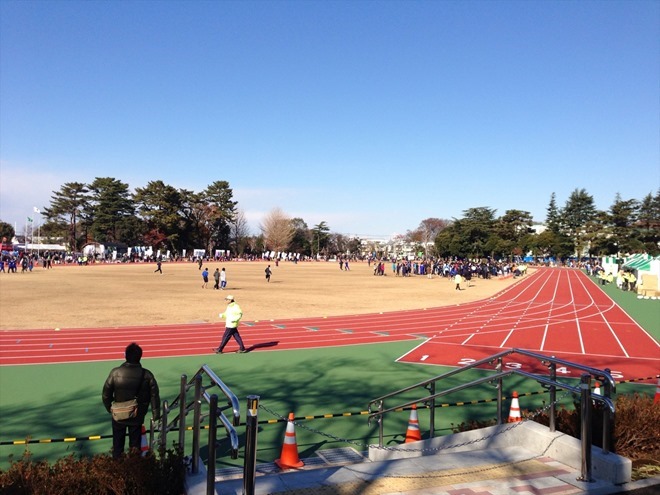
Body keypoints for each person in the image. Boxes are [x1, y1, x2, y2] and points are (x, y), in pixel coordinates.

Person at [102, 343, 160, 458]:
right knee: (135, 447)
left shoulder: (115, 373)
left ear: (126, 356)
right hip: (137, 415)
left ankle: (117, 469)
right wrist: (156, 414)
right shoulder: (147, 375)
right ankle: (134, 469)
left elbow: (106, 394)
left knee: (117, 447)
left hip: (119, 414)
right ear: (140, 356)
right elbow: (154, 395)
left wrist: (110, 408)